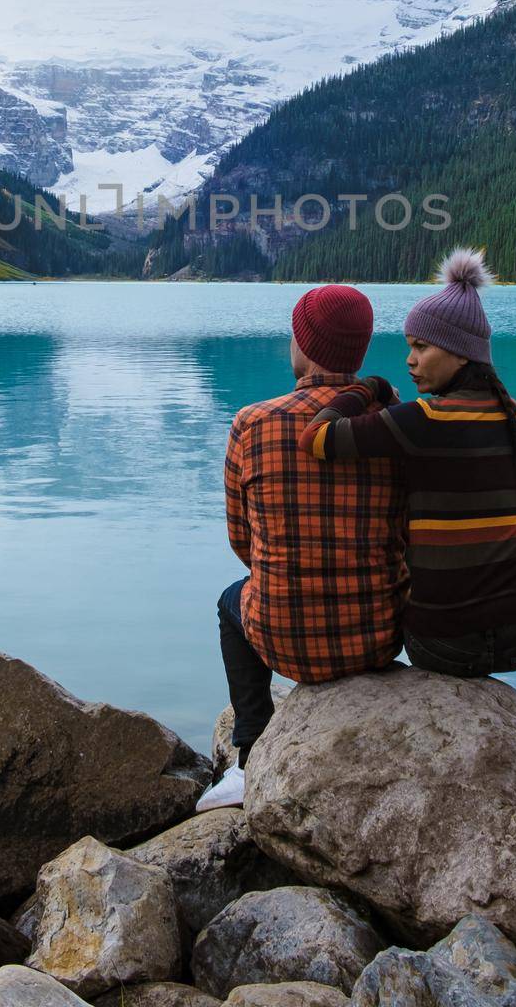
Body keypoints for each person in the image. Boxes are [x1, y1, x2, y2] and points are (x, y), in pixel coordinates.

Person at [298, 247, 516, 716]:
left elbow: (319, 438)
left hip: (446, 649)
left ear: (459, 352)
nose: (409, 360)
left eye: (420, 347)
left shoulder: (423, 417)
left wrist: (364, 388)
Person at [195, 283, 408, 810]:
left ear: (304, 343)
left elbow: (243, 544)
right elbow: (408, 536)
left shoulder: (253, 422)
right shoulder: (394, 424)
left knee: (231, 601)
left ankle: (249, 758)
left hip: (283, 640)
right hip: (380, 640)